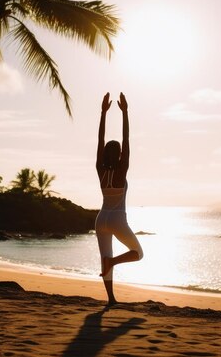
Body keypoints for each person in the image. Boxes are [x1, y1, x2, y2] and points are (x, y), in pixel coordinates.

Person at [95, 92, 143, 306]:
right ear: (121, 154)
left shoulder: (100, 169)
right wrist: (125, 112)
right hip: (117, 218)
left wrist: (103, 113)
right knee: (138, 253)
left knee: (105, 254)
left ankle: (111, 299)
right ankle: (111, 262)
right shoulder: (122, 170)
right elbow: (126, 139)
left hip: (100, 218)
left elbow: (100, 140)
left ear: (105, 155)